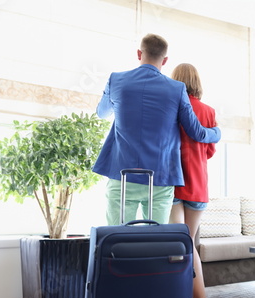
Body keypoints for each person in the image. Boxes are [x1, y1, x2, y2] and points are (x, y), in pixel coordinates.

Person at [92, 34, 221, 226]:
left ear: (139, 53)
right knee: (155, 244)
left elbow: (102, 113)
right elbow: (197, 133)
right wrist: (216, 133)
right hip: (159, 179)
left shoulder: (117, 80)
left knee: (117, 242)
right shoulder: (177, 89)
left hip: (122, 176)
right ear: (165, 60)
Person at [169, 63, 216, 298]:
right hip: (198, 186)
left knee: (179, 247)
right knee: (188, 245)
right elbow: (208, 151)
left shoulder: (172, 107)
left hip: (176, 183)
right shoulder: (208, 111)